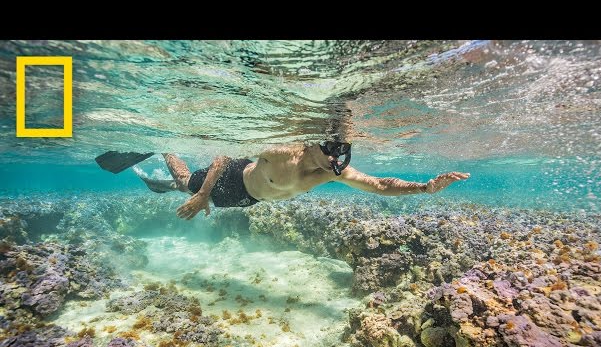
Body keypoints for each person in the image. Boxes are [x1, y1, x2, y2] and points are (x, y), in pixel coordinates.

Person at [135, 140, 470, 220]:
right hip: (231, 178)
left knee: (176, 187)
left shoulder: (332, 173)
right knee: (182, 182)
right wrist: (203, 194)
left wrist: (425, 187)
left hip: (250, 199)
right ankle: (163, 150)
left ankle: (160, 185)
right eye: (332, 151)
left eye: (342, 153)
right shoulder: (284, 152)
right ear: (315, 144)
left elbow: (381, 184)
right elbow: (223, 156)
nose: (336, 160)